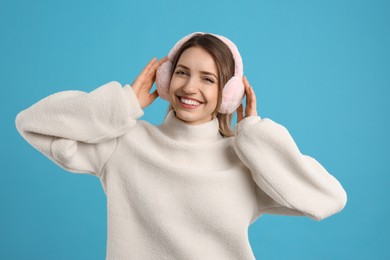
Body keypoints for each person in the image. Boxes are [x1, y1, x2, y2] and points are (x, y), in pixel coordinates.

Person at [15, 32, 347, 260]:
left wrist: (256, 137)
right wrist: (122, 102)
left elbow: (328, 198)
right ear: (165, 78)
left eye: (208, 78)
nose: (190, 87)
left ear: (228, 95)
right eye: (182, 72)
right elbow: (32, 123)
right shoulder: (125, 143)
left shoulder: (245, 161)